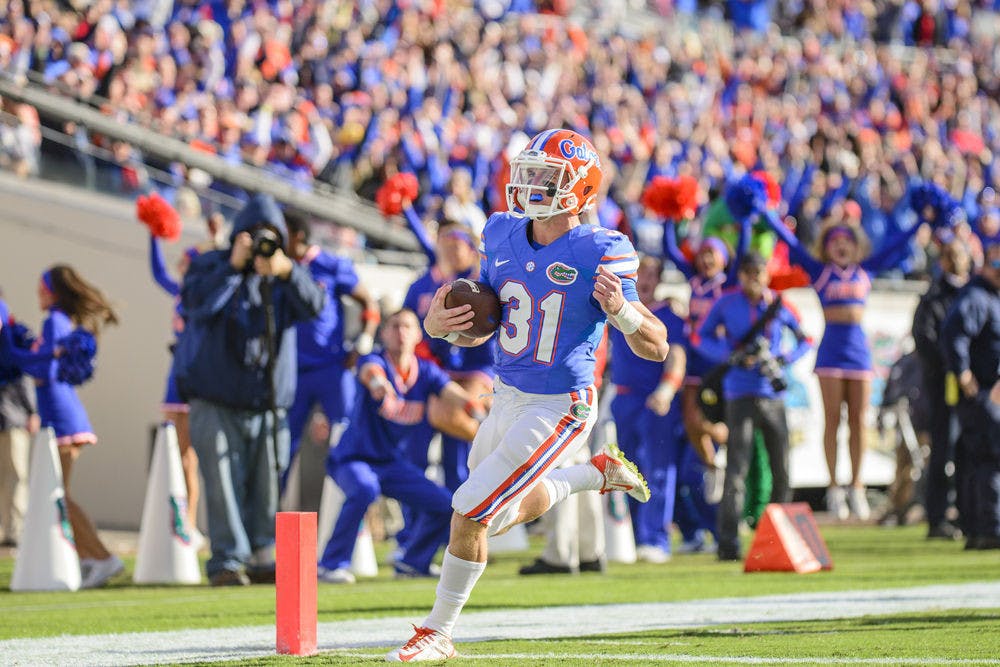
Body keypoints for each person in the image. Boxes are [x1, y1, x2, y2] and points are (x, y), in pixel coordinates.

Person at [387, 128, 669, 661]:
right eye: (530, 172)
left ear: (579, 189)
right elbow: (487, 323)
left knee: (469, 509)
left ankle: (438, 631)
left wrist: (624, 313)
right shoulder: (500, 233)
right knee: (489, 517)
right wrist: (440, 325)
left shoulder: (603, 248)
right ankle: (593, 474)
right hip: (507, 393)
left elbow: (656, 345)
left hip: (562, 405)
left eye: (547, 178)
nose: (531, 185)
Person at [176, 194, 326, 586]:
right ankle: (226, 560)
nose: (261, 240)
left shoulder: (284, 274)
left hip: (269, 402)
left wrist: (286, 272)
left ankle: (262, 555)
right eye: (253, 233)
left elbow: (316, 308)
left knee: (266, 482)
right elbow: (197, 307)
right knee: (222, 482)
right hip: (215, 397)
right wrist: (233, 266)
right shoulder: (210, 264)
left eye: (270, 235)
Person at [763, 211, 928, 521]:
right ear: (826, 246)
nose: (840, 246)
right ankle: (834, 488)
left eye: (846, 241)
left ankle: (856, 485)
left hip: (858, 353)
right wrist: (765, 212)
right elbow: (790, 243)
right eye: (834, 241)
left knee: (857, 421)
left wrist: (921, 220)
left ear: (856, 246)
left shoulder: (865, 270)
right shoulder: (819, 271)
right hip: (831, 353)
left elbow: (897, 246)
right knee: (832, 420)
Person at [318, 308, 485, 583]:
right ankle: (330, 564)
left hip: (392, 464)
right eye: (394, 326)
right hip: (353, 459)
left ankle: (412, 563)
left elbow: (453, 393)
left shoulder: (426, 371)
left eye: (407, 326)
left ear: (418, 334)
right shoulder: (376, 361)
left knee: (446, 504)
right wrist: (379, 384)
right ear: (384, 333)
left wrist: (479, 412)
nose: (400, 332)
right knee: (364, 488)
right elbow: (369, 372)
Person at [2, 266, 122, 586]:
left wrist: (10, 348)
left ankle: (102, 558)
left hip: (62, 419)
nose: (38, 293)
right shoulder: (55, 321)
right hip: (59, 417)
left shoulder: (54, 321)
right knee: (59, 497)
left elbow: (43, 366)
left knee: (61, 497)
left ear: (52, 291)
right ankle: (89, 556)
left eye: (42, 287)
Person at [696, 252, 812, 561]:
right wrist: (730, 355)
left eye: (759, 273)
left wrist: (781, 360)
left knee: (782, 470)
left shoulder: (779, 304)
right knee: (736, 470)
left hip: (772, 395)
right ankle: (728, 544)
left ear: (766, 274)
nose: (754, 279)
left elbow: (805, 340)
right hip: (739, 393)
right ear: (741, 276)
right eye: (748, 273)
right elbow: (700, 337)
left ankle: (781, 541)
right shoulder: (726, 302)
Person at [283, 209, 379, 495]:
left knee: (347, 436)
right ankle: (269, 528)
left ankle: (358, 514)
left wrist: (362, 342)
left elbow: (369, 304)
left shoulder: (330, 264)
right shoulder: (279, 266)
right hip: (292, 370)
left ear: (297, 235)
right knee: (283, 446)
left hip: (330, 367)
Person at [146, 208, 225, 536]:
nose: (181, 265)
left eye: (187, 262)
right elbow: (157, 271)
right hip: (175, 372)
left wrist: (216, 239)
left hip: (194, 374)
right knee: (175, 454)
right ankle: (178, 522)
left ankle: (190, 522)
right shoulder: (180, 293)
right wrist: (152, 233)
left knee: (189, 457)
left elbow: (222, 263)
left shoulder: (203, 295)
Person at [609, 255, 688, 563]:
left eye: (652, 274)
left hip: (654, 400)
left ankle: (655, 538)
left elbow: (677, 355)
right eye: (641, 273)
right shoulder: (616, 308)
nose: (645, 280)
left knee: (658, 470)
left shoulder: (668, 313)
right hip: (624, 399)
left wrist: (667, 389)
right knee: (627, 471)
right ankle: (630, 538)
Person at [940, 241, 1000, 551]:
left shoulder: (990, 296)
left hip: (989, 390)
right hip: (983, 392)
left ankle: (980, 528)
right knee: (989, 456)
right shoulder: (977, 296)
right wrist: (963, 373)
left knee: (979, 458)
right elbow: (954, 333)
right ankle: (989, 528)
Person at [911, 234, 971, 539]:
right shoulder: (934, 297)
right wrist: (954, 366)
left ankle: (966, 512)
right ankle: (937, 517)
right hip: (944, 384)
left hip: (973, 387)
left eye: (961, 254)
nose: (958, 260)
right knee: (943, 448)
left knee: (969, 450)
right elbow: (925, 338)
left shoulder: (974, 293)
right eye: (951, 255)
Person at [0, 296, 37, 547]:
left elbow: (24, 379)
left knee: (16, 474)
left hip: (12, 419)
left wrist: (32, 412)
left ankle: (14, 531)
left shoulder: (13, 341)